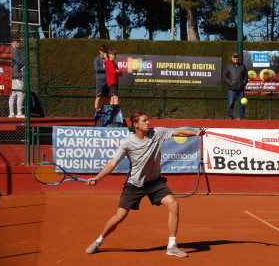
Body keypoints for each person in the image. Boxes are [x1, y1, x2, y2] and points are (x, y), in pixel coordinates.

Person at [85, 110, 208, 257]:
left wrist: (196, 134)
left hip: (154, 182)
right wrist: (98, 177)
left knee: (173, 204)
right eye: (144, 121)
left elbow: (179, 132)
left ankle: (172, 245)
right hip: (134, 184)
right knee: (120, 216)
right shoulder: (127, 142)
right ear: (135, 125)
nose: (148, 122)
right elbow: (113, 162)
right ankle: (98, 241)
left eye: (148, 120)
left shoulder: (157, 133)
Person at [223, 52, 248, 120]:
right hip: (232, 89)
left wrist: (243, 83)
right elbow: (225, 76)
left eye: (237, 57)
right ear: (232, 58)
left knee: (242, 104)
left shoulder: (243, 66)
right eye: (234, 57)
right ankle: (230, 117)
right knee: (231, 104)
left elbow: (246, 76)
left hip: (241, 89)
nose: (236, 58)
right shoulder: (228, 66)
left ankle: (241, 117)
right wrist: (229, 82)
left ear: (239, 58)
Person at [8, 37, 25, 118]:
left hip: (11, 74)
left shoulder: (9, 49)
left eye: (19, 42)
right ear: (13, 42)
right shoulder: (14, 50)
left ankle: (11, 113)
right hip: (15, 75)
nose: (19, 43)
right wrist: (25, 63)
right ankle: (19, 113)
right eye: (17, 42)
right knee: (20, 94)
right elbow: (20, 61)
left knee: (13, 94)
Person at [94, 45, 109, 112]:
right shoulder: (97, 59)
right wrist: (106, 68)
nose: (104, 53)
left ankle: (104, 111)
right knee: (98, 96)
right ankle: (96, 112)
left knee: (106, 97)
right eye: (103, 51)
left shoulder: (107, 59)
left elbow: (111, 66)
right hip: (100, 80)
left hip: (107, 80)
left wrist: (106, 58)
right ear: (100, 51)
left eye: (105, 51)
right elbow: (97, 69)